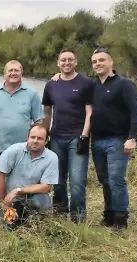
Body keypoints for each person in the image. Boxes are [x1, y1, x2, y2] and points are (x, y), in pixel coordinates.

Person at [90, 48, 137, 229]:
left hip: (117, 140)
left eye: (101, 60)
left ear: (111, 62)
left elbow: (136, 112)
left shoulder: (124, 84)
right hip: (96, 141)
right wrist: (57, 75)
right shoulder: (93, 86)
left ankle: (121, 219)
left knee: (116, 179)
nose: (98, 64)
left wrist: (132, 137)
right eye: (95, 61)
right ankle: (109, 215)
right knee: (104, 180)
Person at [42, 49, 94, 223]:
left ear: (76, 62)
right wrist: (44, 133)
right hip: (56, 137)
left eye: (70, 59)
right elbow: (47, 112)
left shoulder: (86, 83)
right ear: (58, 63)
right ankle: (60, 214)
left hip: (77, 137)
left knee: (77, 181)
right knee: (58, 180)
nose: (66, 63)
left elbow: (89, 112)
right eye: (63, 60)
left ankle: (78, 218)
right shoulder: (51, 84)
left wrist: (84, 135)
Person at [0, 60, 44, 190]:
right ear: (4, 74)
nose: (13, 73)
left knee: (16, 184)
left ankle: (15, 210)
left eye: (16, 70)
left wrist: (37, 145)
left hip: (22, 150)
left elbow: (39, 122)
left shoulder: (32, 94)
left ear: (21, 73)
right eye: (10, 70)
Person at [0, 123, 59, 229]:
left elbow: (46, 187)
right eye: (32, 137)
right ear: (27, 137)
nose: (35, 141)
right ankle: (11, 219)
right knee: (9, 228)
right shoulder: (13, 151)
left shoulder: (52, 157)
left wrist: (19, 190)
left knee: (42, 204)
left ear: (46, 141)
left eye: (39, 138)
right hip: (11, 200)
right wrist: (3, 204)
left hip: (34, 196)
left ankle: (38, 226)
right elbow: (0, 175)